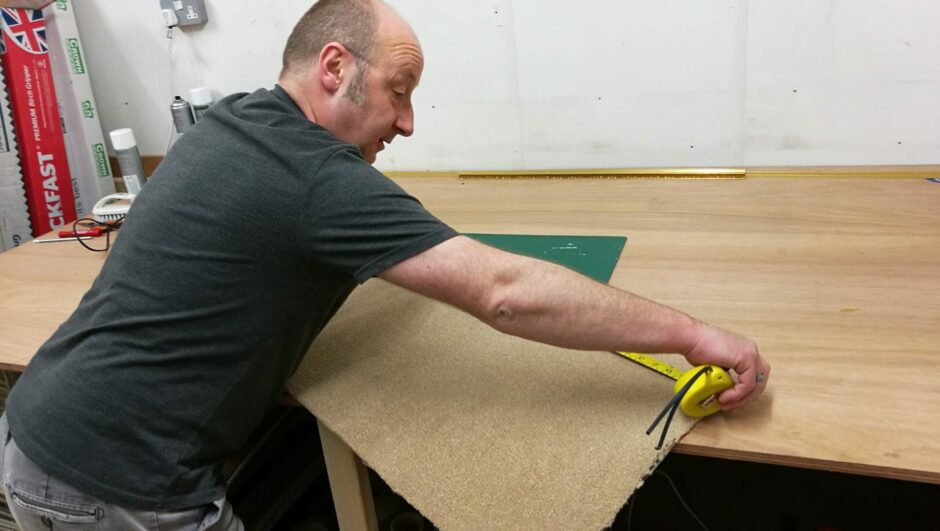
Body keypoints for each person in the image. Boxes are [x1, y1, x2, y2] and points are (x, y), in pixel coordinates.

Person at [0, 0, 770, 529]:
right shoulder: (314, 181)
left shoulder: (234, 120)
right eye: (398, 93)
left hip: (34, 430)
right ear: (334, 67)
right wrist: (694, 335)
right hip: (117, 485)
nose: (407, 121)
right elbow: (503, 294)